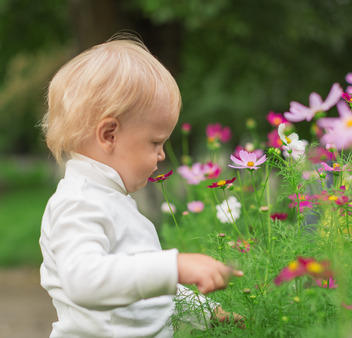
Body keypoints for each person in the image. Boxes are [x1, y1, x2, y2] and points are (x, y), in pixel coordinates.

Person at [39, 34, 243, 338]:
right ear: (109, 134)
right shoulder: (78, 203)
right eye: (156, 142)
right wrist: (174, 266)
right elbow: (83, 280)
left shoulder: (112, 200)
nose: (162, 155)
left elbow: (148, 288)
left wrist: (209, 313)